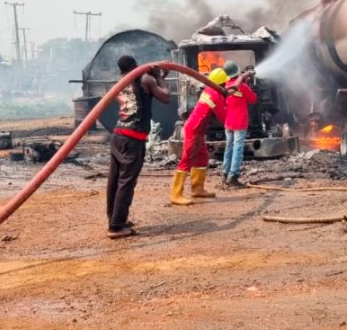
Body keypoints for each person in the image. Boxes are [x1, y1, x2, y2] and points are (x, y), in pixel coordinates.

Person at [106, 55, 171, 239]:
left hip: (118, 134)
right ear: (135, 65)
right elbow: (166, 97)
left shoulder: (121, 82)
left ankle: (114, 219)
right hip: (132, 138)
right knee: (126, 182)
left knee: (115, 180)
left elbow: (145, 93)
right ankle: (117, 227)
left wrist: (158, 78)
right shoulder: (145, 78)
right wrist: (158, 77)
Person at [171, 68, 229, 205]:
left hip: (197, 129)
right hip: (194, 130)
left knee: (202, 158)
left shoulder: (209, 91)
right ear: (222, 84)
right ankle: (176, 194)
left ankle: (197, 189)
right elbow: (223, 116)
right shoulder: (216, 95)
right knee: (187, 159)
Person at [221, 60, 257, 187]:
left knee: (228, 148)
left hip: (228, 122)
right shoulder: (242, 87)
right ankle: (233, 176)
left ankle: (225, 174)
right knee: (237, 149)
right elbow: (253, 99)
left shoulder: (227, 85)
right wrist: (247, 84)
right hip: (240, 123)